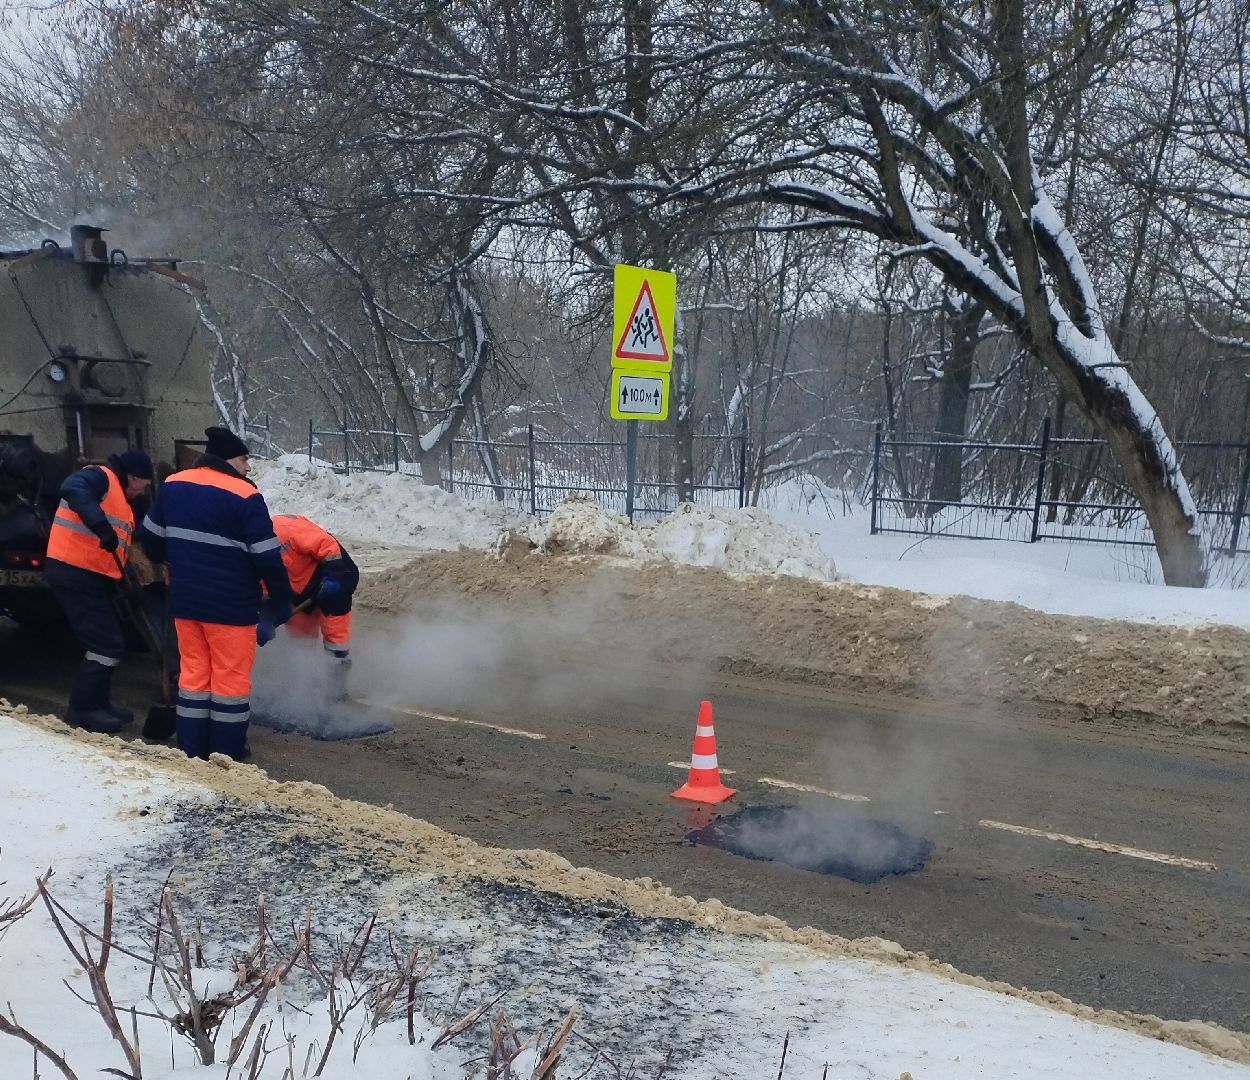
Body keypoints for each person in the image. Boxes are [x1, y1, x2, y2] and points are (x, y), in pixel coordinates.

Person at [139, 426, 292, 760]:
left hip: (186, 603)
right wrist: (282, 600)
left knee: (194, 675)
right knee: (229, 682)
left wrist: (172, 560)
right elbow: (267, 556)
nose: (248, 467)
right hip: (231, 607)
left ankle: (192, 751)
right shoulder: (245, 495)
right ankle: (226, 753)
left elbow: (148, 536)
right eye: (244, 459)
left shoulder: (174, 484)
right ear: (226, 459)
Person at [43, 448, 153, 732]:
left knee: (110, 643)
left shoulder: (123, 500)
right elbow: (71, 487)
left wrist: (129, 580)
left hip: (92, 576)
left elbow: (117, 549)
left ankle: (99, 704)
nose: (144, 490)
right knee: (105, 644)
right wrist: (99, 525)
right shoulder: (99, 477)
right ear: (132, 477)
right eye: (145, 483)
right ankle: (82, 709)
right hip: (73, 572)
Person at [263, 514, 359, 702]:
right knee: (301, 638)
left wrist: (333, 575)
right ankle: (305, 685)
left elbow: (328, 547)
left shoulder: (286, 528)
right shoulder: (250, 552)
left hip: (335, 576)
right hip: (299, 590)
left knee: (335, 633)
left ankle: (337, 690)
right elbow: (264, 588)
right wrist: (267, 617)